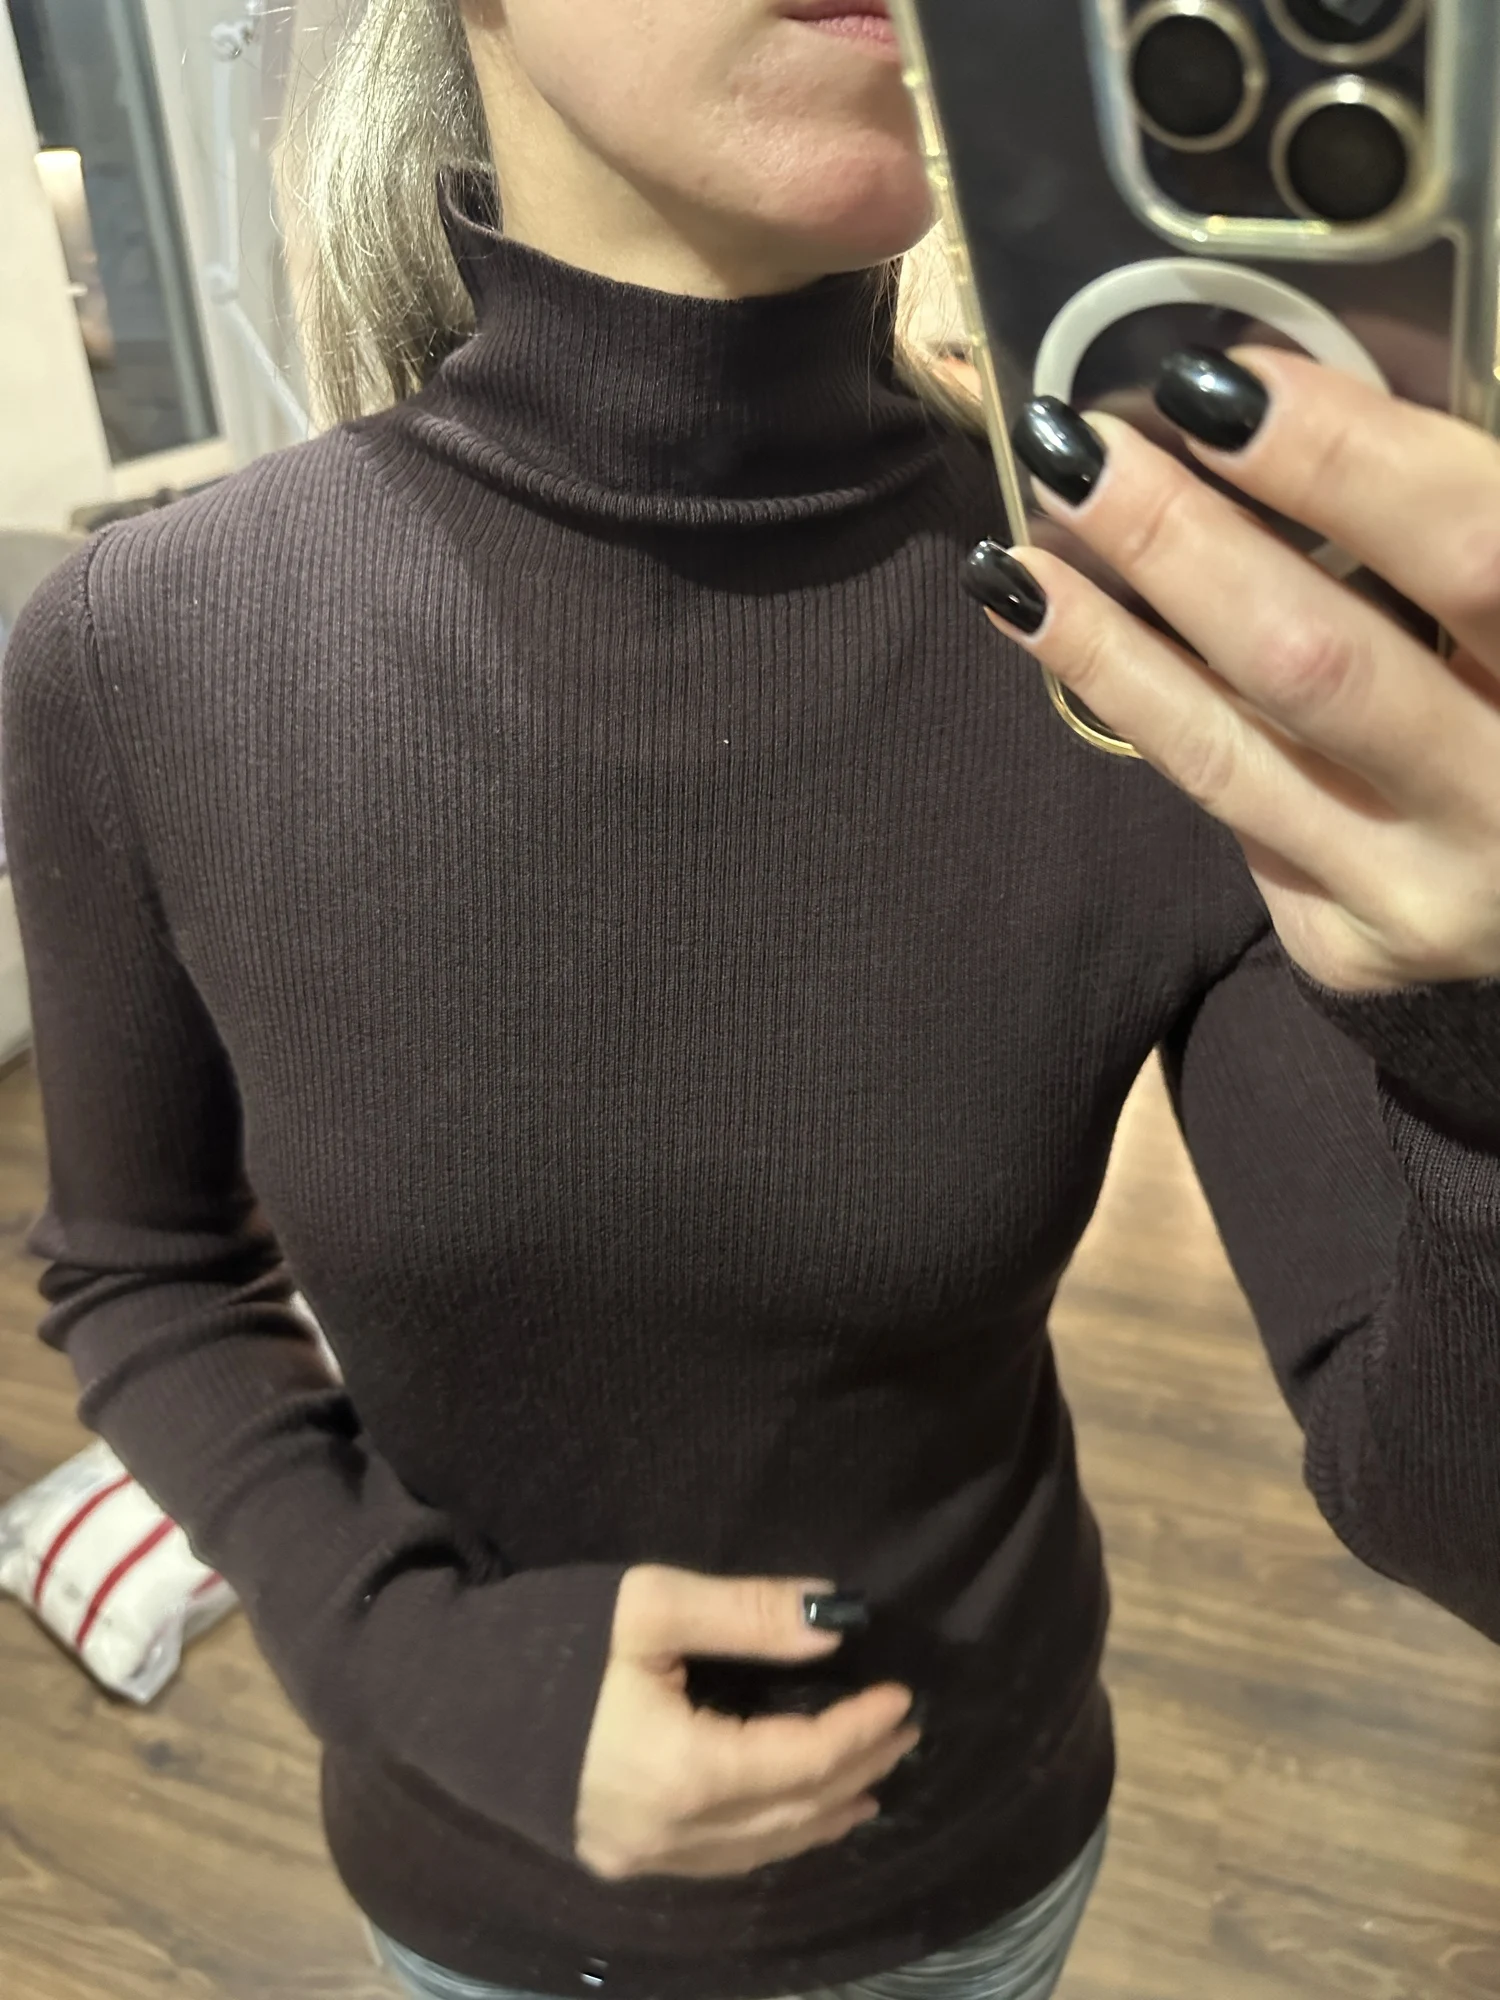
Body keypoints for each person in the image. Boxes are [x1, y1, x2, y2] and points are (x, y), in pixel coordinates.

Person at [4, 2, 1498, 1998]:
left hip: (980, 1870)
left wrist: (1481, 1038)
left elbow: (1459, 1517)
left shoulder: (1153, 643)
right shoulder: (146, 653)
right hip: (476, 1887)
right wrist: (410, 1660)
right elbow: (144, 1270)